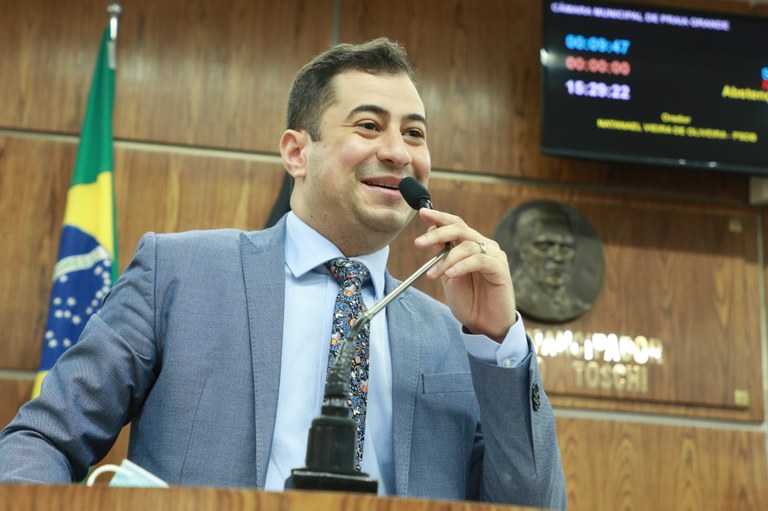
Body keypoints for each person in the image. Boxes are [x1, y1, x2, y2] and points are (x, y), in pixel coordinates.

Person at [0, 38, 566, 509]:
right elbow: (43, 439)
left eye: (414, 133)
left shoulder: (454, 336)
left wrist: (498, 342)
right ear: (297, 153)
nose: (399, 153)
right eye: (369, 126)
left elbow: (532, 504)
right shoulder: (178, 274)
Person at [510, 202, 591, 322]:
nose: (557, 257)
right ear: (521, 246)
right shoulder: (510, 297)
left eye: (565, 247)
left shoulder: (576, 304)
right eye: (545, 246)